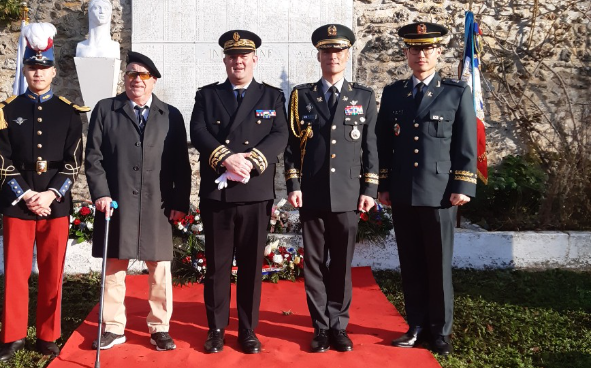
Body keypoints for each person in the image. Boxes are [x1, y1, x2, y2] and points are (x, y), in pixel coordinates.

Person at [0, 22, 88, 362]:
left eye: (44, 67)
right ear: (25, 69)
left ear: (54, 71)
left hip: (54, 203)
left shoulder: (69, 112)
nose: (38, 72)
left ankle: (47, 335)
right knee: (15, 273)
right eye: (32, 66)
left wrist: (51, 195)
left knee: (52, 273)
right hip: (18, 203)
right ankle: (12, 336)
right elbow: (0, 159)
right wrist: (27, 195)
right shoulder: (6, 111)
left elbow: (74, 161)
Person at [375, 22, 477, 356]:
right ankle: (416, 325)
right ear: (406, 53)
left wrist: (462, 183)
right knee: (412, 263)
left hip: (440, 194)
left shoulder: (455, 93)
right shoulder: (393, 94)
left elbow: (466, 142)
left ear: (437, 52)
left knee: (438, 263)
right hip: (403, 193)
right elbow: (384, 144)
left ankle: (440, 331)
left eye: (427, 48)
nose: (420, 54)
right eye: (414, 49)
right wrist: (384, 185)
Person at [85, 50, 191, 352]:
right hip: (117, 202)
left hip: (157, 203)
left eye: (143, 75)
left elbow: (180, 165)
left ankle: (160, 328)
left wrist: (179, 203)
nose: (137, 80)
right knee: (114, 269)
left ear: (154, 80)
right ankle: (114, 327)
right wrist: (101, 194)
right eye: (131, 74)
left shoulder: (170, 115)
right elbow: (94, 158)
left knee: (159, 270)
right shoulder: (106, 110)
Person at [190, 30, 288, 354]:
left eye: (244, 56)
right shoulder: (207, 95)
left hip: (254, 191)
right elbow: (199, 131)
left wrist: (251, 163)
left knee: (249, 265)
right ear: (225, 61)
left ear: (254, 59)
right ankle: (216, 328)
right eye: (232, 56)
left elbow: (279, 135)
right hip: (218, 194)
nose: (239, 61)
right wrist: (226, 158)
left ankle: (247, 329)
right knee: (217, 266)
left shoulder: (271, 96)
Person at [284, 24, 379, 353]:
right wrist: (293, 184)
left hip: (348, 195)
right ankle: (320, 327)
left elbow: (370, 149)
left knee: (340, 263)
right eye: (326, 51)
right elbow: (292, 149)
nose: (332, 56)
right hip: (311, 195)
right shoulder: (302, 96)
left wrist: (369, 190)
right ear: (319, 55)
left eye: (338, 51)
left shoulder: (363, 97)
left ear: (347, 54)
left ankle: (339, 324)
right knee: (313, 264)